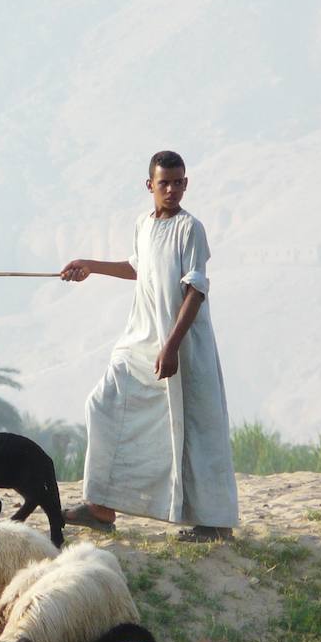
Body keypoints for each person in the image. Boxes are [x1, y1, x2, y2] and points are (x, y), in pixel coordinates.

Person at [59, 150, 239, 541]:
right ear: (150, 186)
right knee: (103, 405)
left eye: (178, 182)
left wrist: (172, 346)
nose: (172, 190)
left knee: (197, 427)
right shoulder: (143, 223)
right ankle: (101, 506)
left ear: (186, 183)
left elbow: (195, 291)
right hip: (140, 340)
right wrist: (90, 265)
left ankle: (214, 523)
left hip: (184, 345)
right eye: (164, 183)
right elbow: (139, 267)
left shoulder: (192, 229)